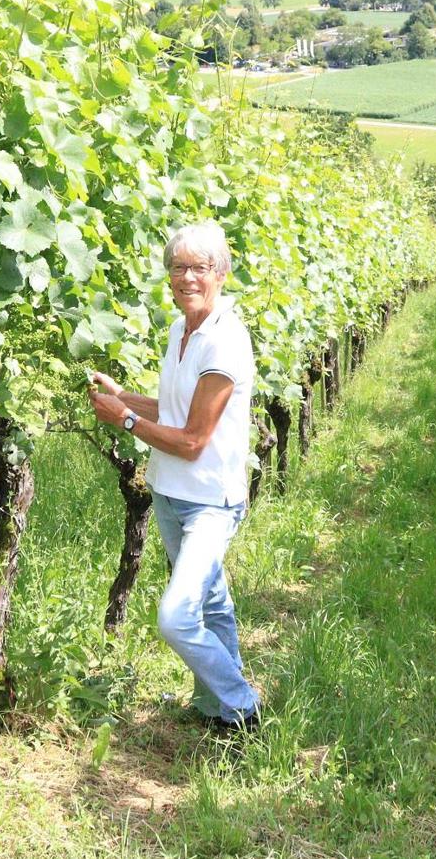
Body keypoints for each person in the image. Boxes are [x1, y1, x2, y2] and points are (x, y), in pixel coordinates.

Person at [88, 221, 260, 730]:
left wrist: (124, 419)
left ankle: (244, 705)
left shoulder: (224, 342)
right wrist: (123, 397)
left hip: (211, 500)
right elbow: (173, 407)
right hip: (169, 493)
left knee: (178, 617)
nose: (187, 277)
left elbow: (191, 440)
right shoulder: (180, 331)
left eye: (199, 268)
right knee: (212, 603)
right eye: (178, 267)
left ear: (221, 274)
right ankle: (218, 711)